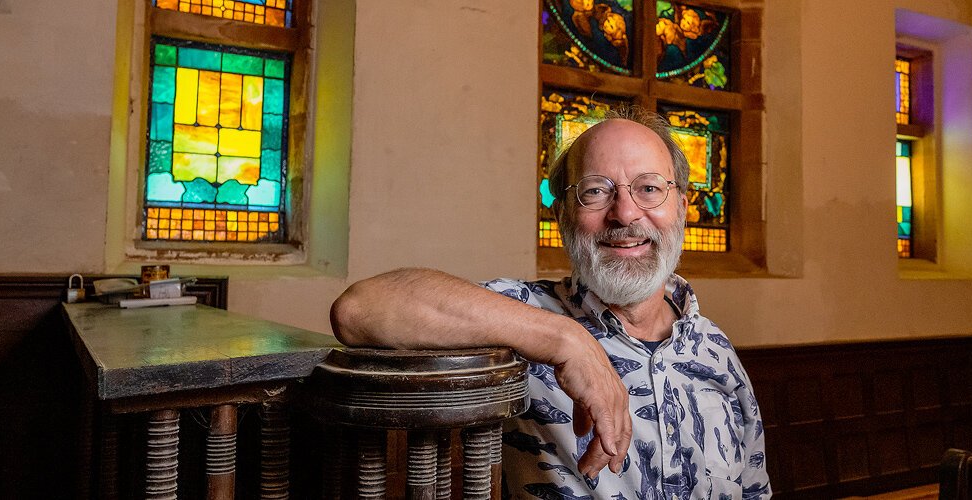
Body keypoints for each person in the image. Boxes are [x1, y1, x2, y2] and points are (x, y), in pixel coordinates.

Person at [330, 108, 770, 499]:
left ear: (683, 207)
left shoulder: (716, 350)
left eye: (649, 188)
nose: (626, 213)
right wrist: (566, 339)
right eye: (596, 191)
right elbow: (360, 309)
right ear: (561, 215)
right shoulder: (522, 316)